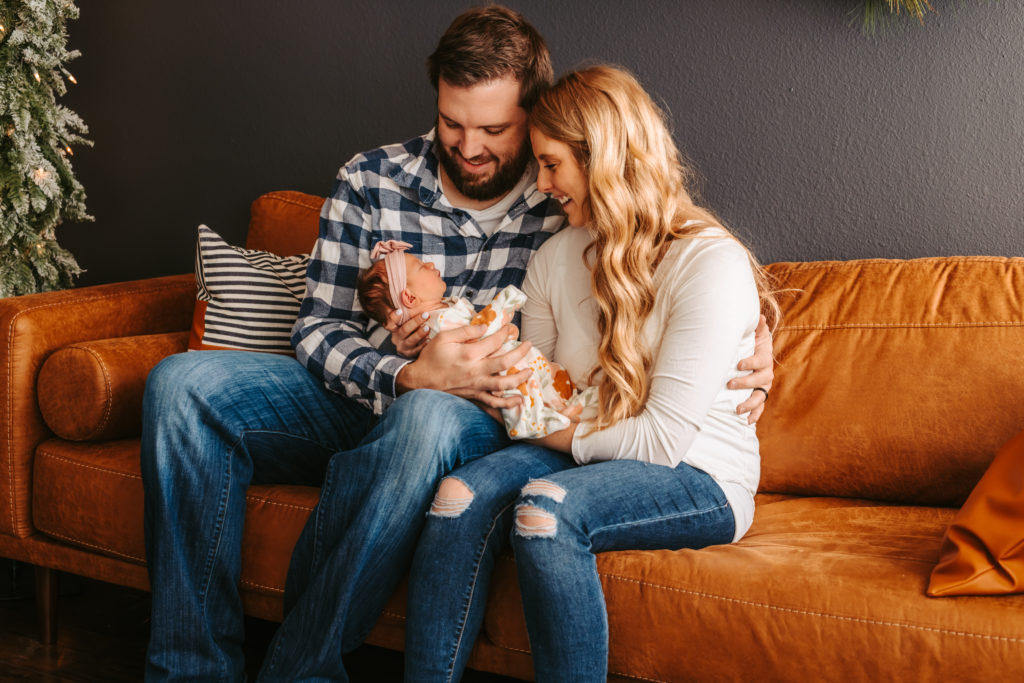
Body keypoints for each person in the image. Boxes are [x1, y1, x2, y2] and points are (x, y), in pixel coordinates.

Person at [140, 6, 775, 681]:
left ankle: (304, 668)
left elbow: (669, 254)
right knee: (179, 384)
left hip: (466, 417)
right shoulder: (372, 180)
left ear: (535, 117)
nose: (469, 147)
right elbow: (316, 332)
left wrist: (760, 329)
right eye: (452, 124)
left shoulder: (565, 199)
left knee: (430, 418)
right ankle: (190, 669)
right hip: (362, 393)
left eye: (495, 130)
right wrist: (405, 372)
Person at [403, 64, 781, 683]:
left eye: (552, 165)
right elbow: (531, 391)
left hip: (698, 471)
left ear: (602, 157)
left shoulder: (708, 262)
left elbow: (659, 442)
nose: (543, 183)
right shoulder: (555, 258)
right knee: (456, 496)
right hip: (590, 448)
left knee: (545, 511)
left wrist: (552, 430)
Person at [357, 240, 594, 438]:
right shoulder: (437, 321)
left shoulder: (445, 309)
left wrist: (505, 332)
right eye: (421, 267)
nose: (430, 264)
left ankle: (565, 405)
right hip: (488, 373)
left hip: (495, 359)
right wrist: (503, 305)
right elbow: (478, 331)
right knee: (521, 387)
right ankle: (533, 421)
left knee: (545, 374)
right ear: (409, 297)